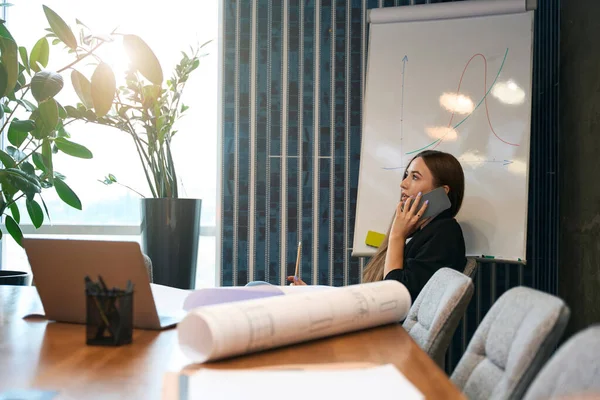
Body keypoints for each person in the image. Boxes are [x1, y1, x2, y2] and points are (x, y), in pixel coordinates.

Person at [287, 150, 467, 302]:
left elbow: (395, 295)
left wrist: (397, 236)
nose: (403, 184)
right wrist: (314, 295)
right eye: (406, 175)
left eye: (415, 177)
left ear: (442, 192)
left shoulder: (445, 233)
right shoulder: (422, 232)